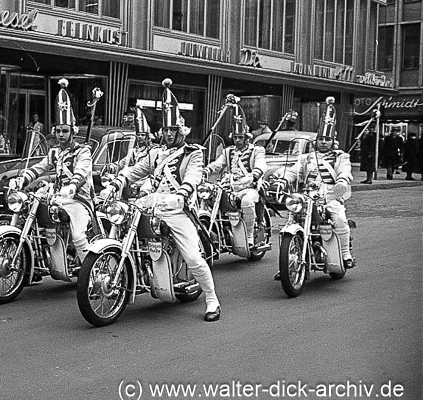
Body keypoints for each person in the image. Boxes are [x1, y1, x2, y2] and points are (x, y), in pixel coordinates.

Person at [103, 79, 221, 322]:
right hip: (151, 207)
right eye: (165, 130)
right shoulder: (155, 153)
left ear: (180, 131)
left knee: (192, 256)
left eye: (172, 131)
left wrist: (182, 194)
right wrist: (117, 182)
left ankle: (212, 299)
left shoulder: (193, 153)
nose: (168, 135)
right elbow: (135, 170)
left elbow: (193, 176)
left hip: (178, 210)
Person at [9, 79, 93, 267]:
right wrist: (21, 179)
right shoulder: (54, 151)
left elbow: (81, 170)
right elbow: (40, 167)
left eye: (65, 131)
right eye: (58, 131)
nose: (61, 134)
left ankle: (90, 270)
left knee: (79, 236)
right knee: (30, 209)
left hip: (79, 199)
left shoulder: (82, 151)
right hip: (57, 198)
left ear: (72, 131)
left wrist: (72, 185)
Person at [274, 97, 355, 279]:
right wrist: (282, 178)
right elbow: (293, 171)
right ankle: (286, 263)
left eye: (327, 139)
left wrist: (341, 182)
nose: (323, 142)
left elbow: (345, 172)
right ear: (316, 140)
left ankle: (344, 254)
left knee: (339, 218)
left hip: (330, 196)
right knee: (290, 223)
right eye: (321, 139)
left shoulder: (341, 156)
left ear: (332, 140)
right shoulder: (306, 157)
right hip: (306, 197)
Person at [203, 100, 267, 250]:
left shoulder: (256, 150)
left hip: (249, 186)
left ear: (246, 137)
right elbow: (218, 164)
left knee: (247, 201)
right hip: (230, 186)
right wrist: (205, 170)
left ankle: (249, 236)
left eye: (240, 137)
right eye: (235, 137)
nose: (237, 140)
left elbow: (261, 164)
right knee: (208, 198)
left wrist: (255, 175)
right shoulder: (228, 151)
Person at [106, 107, 162, 197]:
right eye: (138, 135)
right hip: (130, 181)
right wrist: (110, 167)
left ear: (147, 137)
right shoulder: (134, 151)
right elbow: (122, 163)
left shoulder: (153, 151)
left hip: (146, 185)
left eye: (142, 135)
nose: (140, 137)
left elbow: (152, 173)